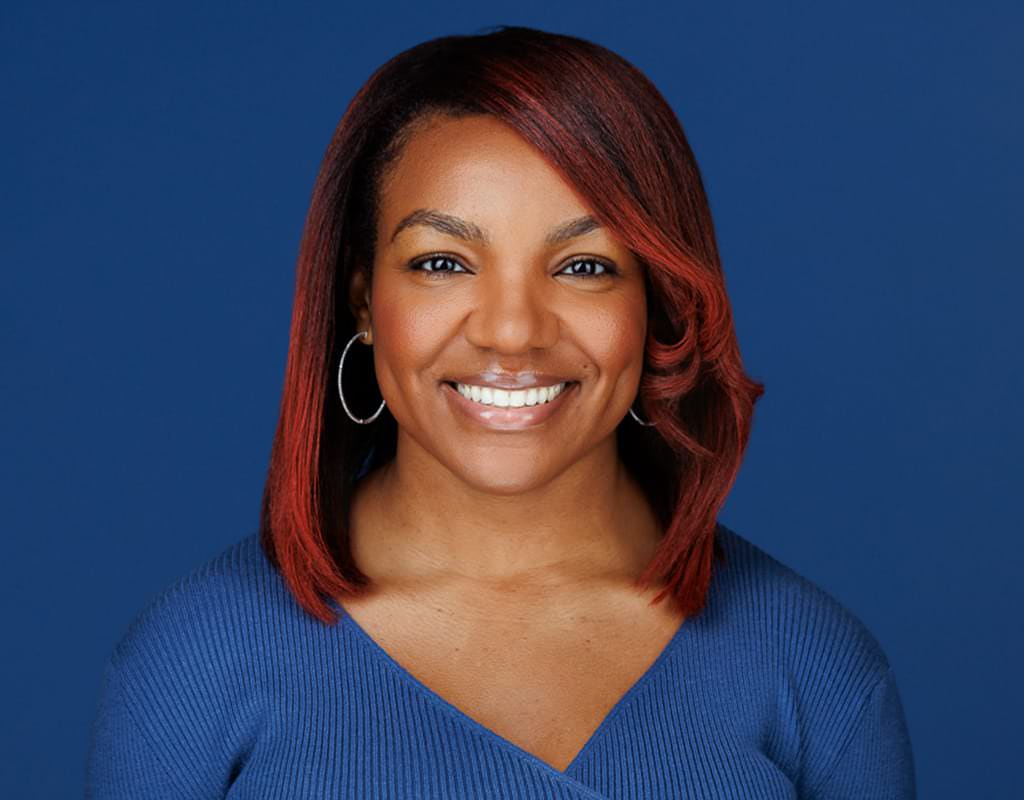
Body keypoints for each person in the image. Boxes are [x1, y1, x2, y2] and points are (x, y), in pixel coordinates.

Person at [85, 25, 916, 799]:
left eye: (585, 266)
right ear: (362, 299)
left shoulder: (815, 672)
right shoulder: (193, 667)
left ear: (656, 304)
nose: (512, 332)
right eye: (443, 261)